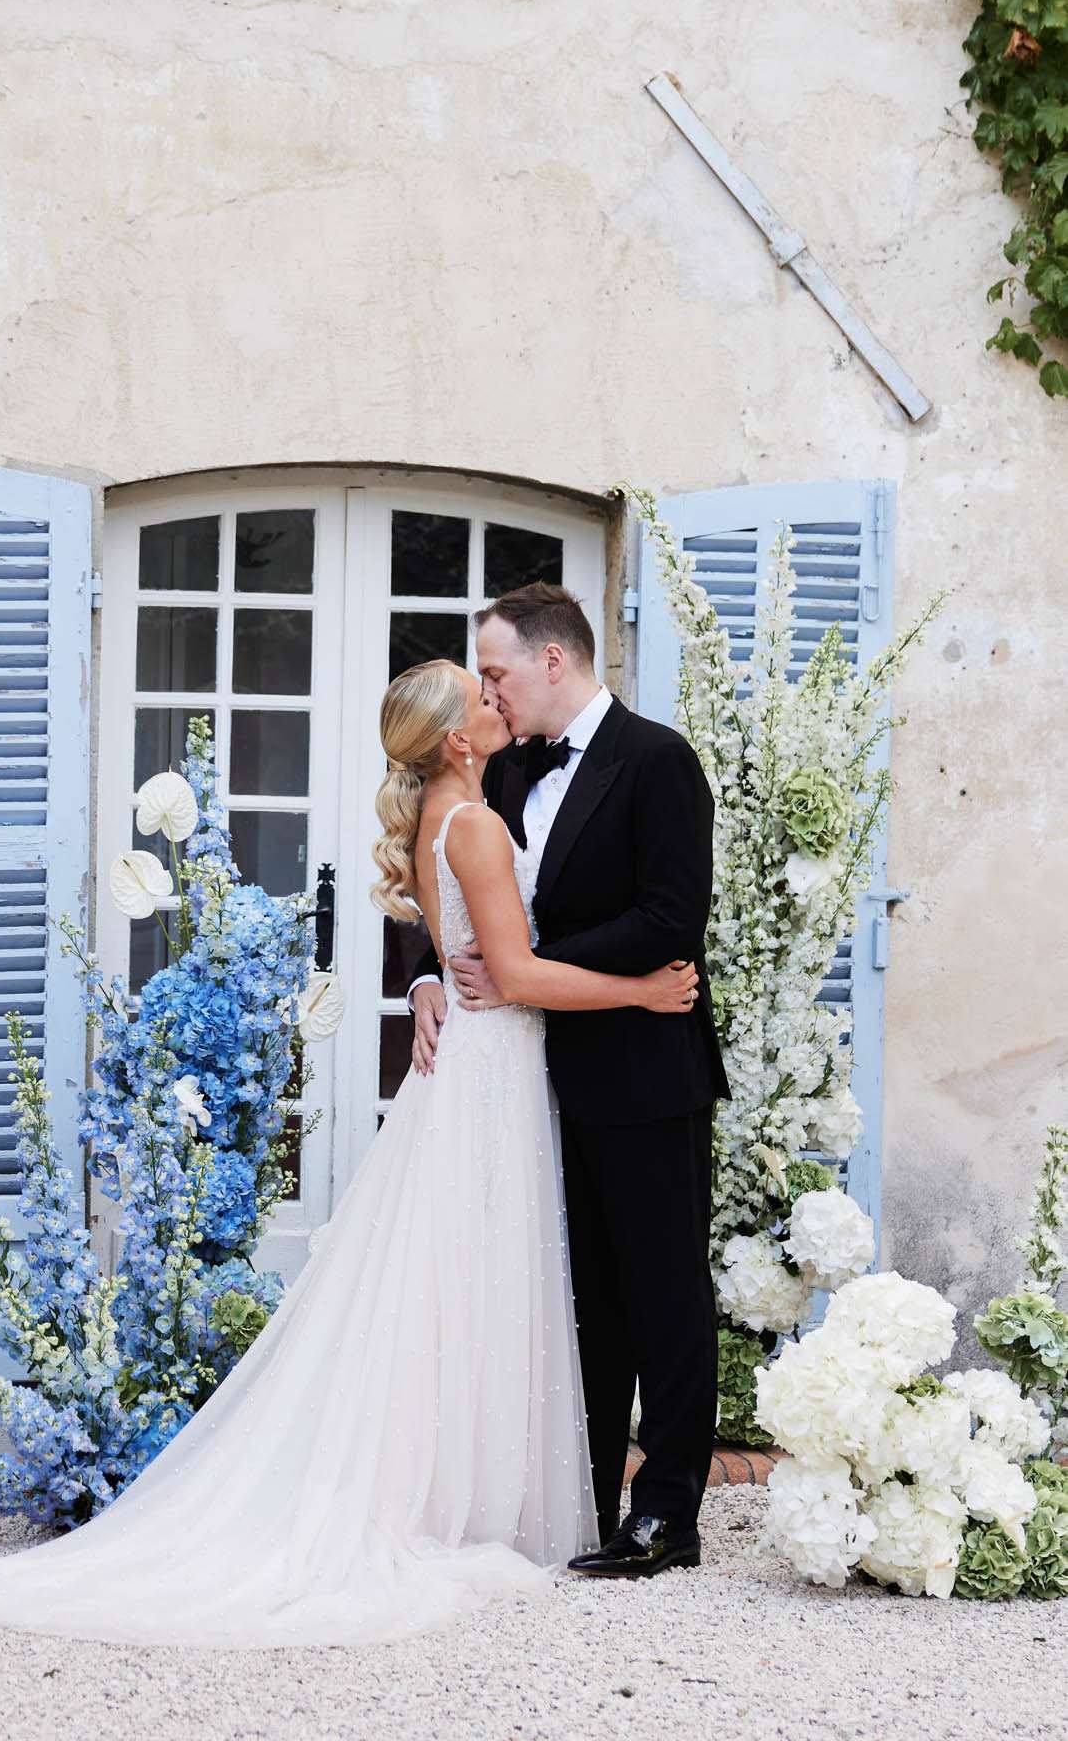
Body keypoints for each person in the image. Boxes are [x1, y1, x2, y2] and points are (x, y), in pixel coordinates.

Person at [0, 658, 698, 1648]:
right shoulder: (482, 825)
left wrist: (439, 983)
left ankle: (454, 1489)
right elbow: (516, 970)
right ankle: (465, 1502)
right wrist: (642, 993)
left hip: (470, 1074)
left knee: (449, 1280)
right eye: (481, 696)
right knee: (475, 1276)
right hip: (490, 1070)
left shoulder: (440, 817)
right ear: (459, 738)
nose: (500, 699)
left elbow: (477, 956)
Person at [408, 583, 730, 1580]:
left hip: (645, 1068)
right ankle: (579, 1497)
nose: (492, 693)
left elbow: (671, 920)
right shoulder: (500, 777)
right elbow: (467, 897)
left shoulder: (658, 760)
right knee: (577, 1298)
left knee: (664, 1293)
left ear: (556, 660)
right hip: (537, 1082)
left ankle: (666, 1512)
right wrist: (438, 973)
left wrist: (524, 969)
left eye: (498, 669)